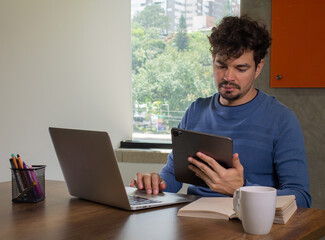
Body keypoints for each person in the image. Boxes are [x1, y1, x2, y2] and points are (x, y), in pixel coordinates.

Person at [130, 15, 312, 208]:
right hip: (194, 221)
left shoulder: (281, 119)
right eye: (221, 66)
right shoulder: (195, 110)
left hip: (247, 224)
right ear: (212, 60)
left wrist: (242, 189)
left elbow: (301, 198)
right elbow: (173, 177)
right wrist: (155, 184)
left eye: (241, 69)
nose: (228, 77)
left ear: (258, 68)